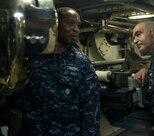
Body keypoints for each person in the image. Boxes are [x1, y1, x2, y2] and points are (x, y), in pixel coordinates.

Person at [18, 7, 100, 136]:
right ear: (54, 24)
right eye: (70, 23)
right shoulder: (32, 56)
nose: (76, 29)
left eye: (78, 25)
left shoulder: (81, 63)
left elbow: (90, 109)